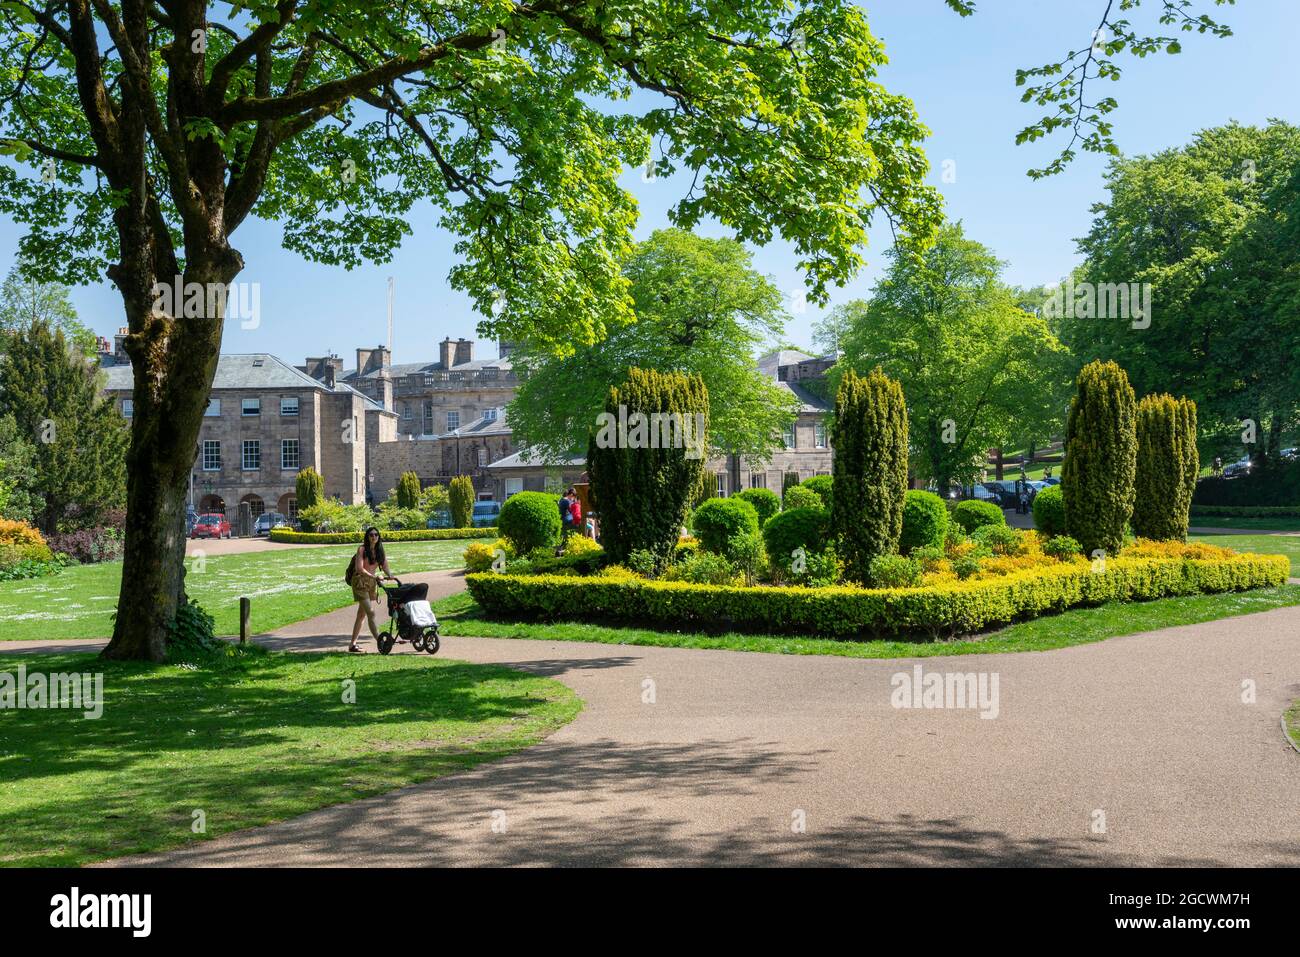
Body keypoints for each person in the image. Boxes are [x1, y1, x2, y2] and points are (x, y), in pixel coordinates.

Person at [348, 526, 393, 654]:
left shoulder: (380, 550)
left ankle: (352, 644)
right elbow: (359, 569)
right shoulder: (362, 549)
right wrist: (374, 577)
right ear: (367, 537)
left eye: (376, 535)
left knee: (361, 615)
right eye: (371, 535)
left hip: (371, 583)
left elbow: (385, 566)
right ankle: (380, 641)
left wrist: (390, 575)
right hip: (360, 582)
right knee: (371, 613)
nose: (374, 537)